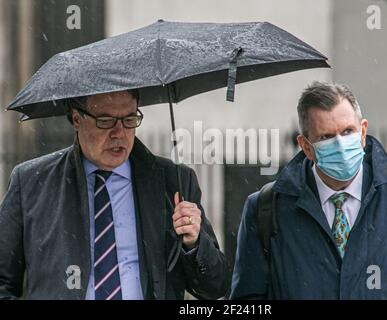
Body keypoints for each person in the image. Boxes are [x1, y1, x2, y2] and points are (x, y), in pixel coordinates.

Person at [0, 90, 229, 300]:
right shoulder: (32, 182)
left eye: (129, 120)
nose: (119, 133)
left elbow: (214, 287)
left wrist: (194, 243)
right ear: (77, 119)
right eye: (106, 121)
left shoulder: (173, 182)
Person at [230, 81, 387, 299]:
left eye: (347, 131)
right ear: (306, 147)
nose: (341, 145)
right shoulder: (267, 210)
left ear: (363, 132)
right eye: (326, 137)